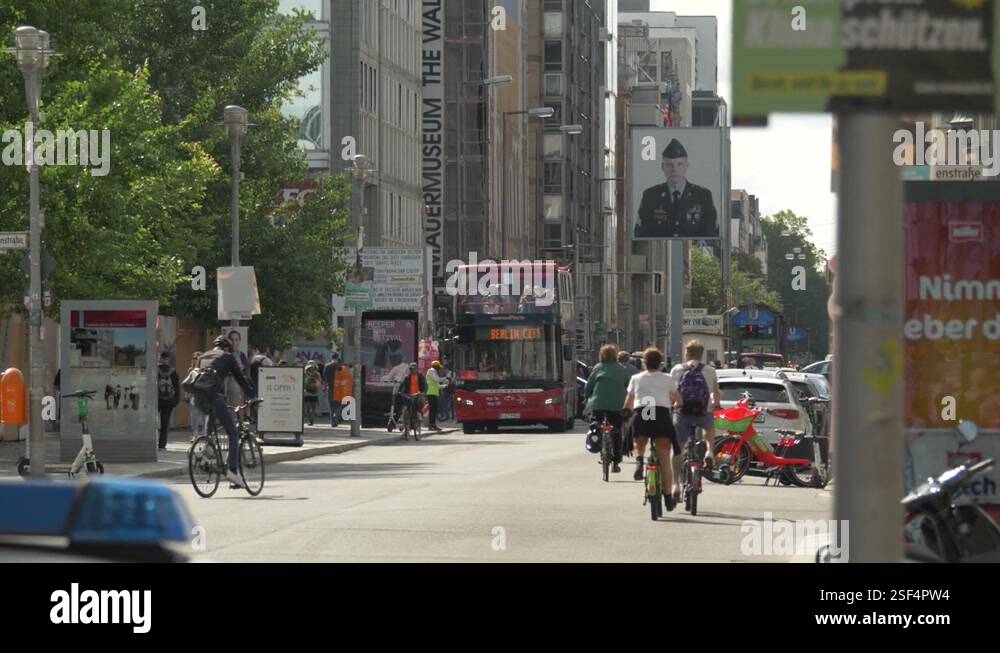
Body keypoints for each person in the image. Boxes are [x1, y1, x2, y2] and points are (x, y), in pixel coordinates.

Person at [192, 336, 254, 488]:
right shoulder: (227, 357)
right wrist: (251, 396)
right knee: (232, 432)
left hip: (197, 398)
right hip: (214, 396)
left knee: (211, 414)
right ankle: (233, 470)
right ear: (227, 348)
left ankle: (205, 447)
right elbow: (241, 379)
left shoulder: (202, 356)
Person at [625, 347, 682, 511]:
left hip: (643, 413)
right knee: (665, 460)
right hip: (661, 416)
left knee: (640, 439)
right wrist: (677, 405)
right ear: (660, 363)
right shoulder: (667, 378)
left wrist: (626, 410)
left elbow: (629, 399)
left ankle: (639, 459)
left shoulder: (636, 378)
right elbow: (677, 399)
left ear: (644, 363)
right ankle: (668, 498)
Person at [669, 339, 721, 503]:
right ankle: (709, 451)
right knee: (710, 429)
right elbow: (715, 392)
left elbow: (672, 392)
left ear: (687, 354)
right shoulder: (710, 371)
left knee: (678, 448)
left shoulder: (677, 369)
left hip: (682, 413)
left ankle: (676, 484)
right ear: (702, 355)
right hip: (702, 412)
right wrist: (716, 406)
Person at [634, 138, 718, 239]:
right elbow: (641, 234)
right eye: (670, 164)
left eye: (679, 164)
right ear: (662, 167)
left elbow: (712, 234)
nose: (675, 169)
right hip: (660, 253)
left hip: (692, 253)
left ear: (687, 166)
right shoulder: (651, 196)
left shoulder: (703, 196)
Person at [585, 345, 628, 473]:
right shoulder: (620, 369)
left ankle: (599, 442)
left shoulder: (598, 367)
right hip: (617, 405)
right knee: (617, 431)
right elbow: (626, 383)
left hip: (598, 404)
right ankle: (616, 462)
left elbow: (589, 386)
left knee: (596, 423)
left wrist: (587, 398)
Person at [156, 352, 180, 450]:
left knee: (151, 423)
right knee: (165, 424)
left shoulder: (155, 370)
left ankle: (151, 443)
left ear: (161, 358)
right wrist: (176, 401)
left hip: (156, 400)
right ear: (168, 359)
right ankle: (162, 445)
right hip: (169, 401)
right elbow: (177, 387)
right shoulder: (173, 371)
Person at [396, 362, 427, 429]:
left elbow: (424, 386)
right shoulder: (407, 377)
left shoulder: (421, 376)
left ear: (416, 369)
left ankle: (419, 415)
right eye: (411, 369)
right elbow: (402, 386)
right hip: (409, 395)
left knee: (419, 403)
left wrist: (423, 392)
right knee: (404, 407)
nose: (412, 370)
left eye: (414, 369)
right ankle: (402, 420)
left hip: (418, 395)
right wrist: (400, 391)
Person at [186, 351, 207, 442]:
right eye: (194, 358)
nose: (195, 360)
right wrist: (187, 393)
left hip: (203, 395)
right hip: (193, 394)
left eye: (197, 358)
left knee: (204, 415)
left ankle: (204, 433)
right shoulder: (191, 370)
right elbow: (188, 382)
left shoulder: (205, 369)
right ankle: (195, 434)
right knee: (194, 416)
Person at [426, 360, 447, 432]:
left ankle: (433, 425)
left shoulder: (434, 372)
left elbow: (437, 385)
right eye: (438, 367)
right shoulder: (431, 371)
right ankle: (431, 425)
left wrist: (445, 386)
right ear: (436, 366)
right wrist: (444, 379)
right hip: (431, 392)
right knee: (432, 410)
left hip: (434, 393)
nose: (439, 369)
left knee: (434, 410)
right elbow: (437, 379)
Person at [331, 359, 353, 427]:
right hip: (345, 392)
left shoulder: (338, 371)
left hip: (337, 391)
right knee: (343, 407)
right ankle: (337, 417)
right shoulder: (347, 370)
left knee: (337, 407)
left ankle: (336, 417)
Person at [303, 361, 322, 426]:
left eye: (312, 367)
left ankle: (311, 419)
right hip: (310, 393)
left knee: (310, 408)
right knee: (309, 408)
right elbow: (319, 383)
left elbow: (319, 383)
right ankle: (311, 419)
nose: (312, 368)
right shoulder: (306, 374)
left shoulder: (315, 374)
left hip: (310, 393)